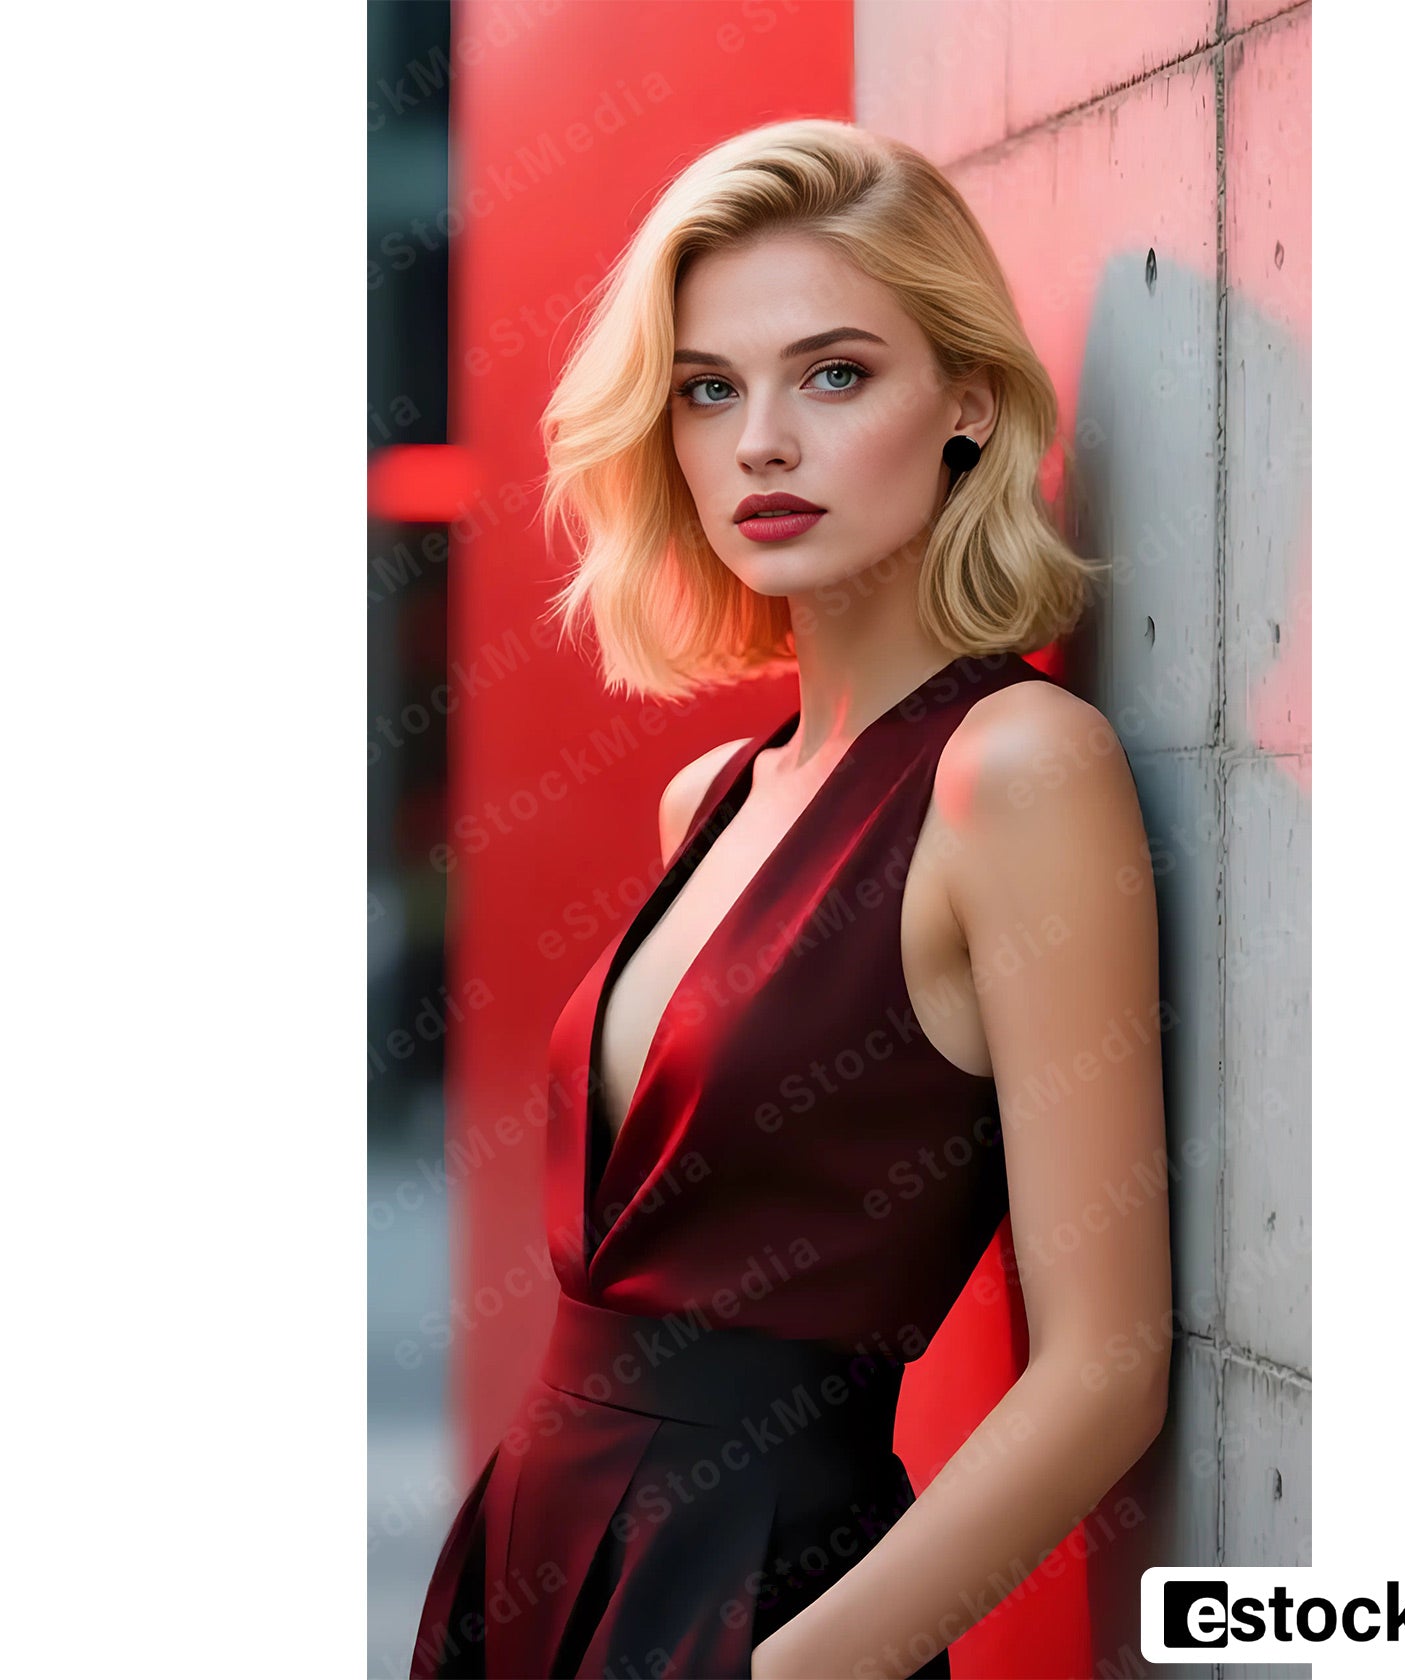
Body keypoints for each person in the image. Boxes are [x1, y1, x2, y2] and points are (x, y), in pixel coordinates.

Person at [410, 117, 1172, 1680]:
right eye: (709, 388)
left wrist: (786, 1671)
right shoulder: (711, 799)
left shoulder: (1011, 770)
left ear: (966, 406)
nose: (760, 440)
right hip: (529, 1570)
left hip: (763, 1606)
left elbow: (1107, 1368)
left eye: (834, 375)